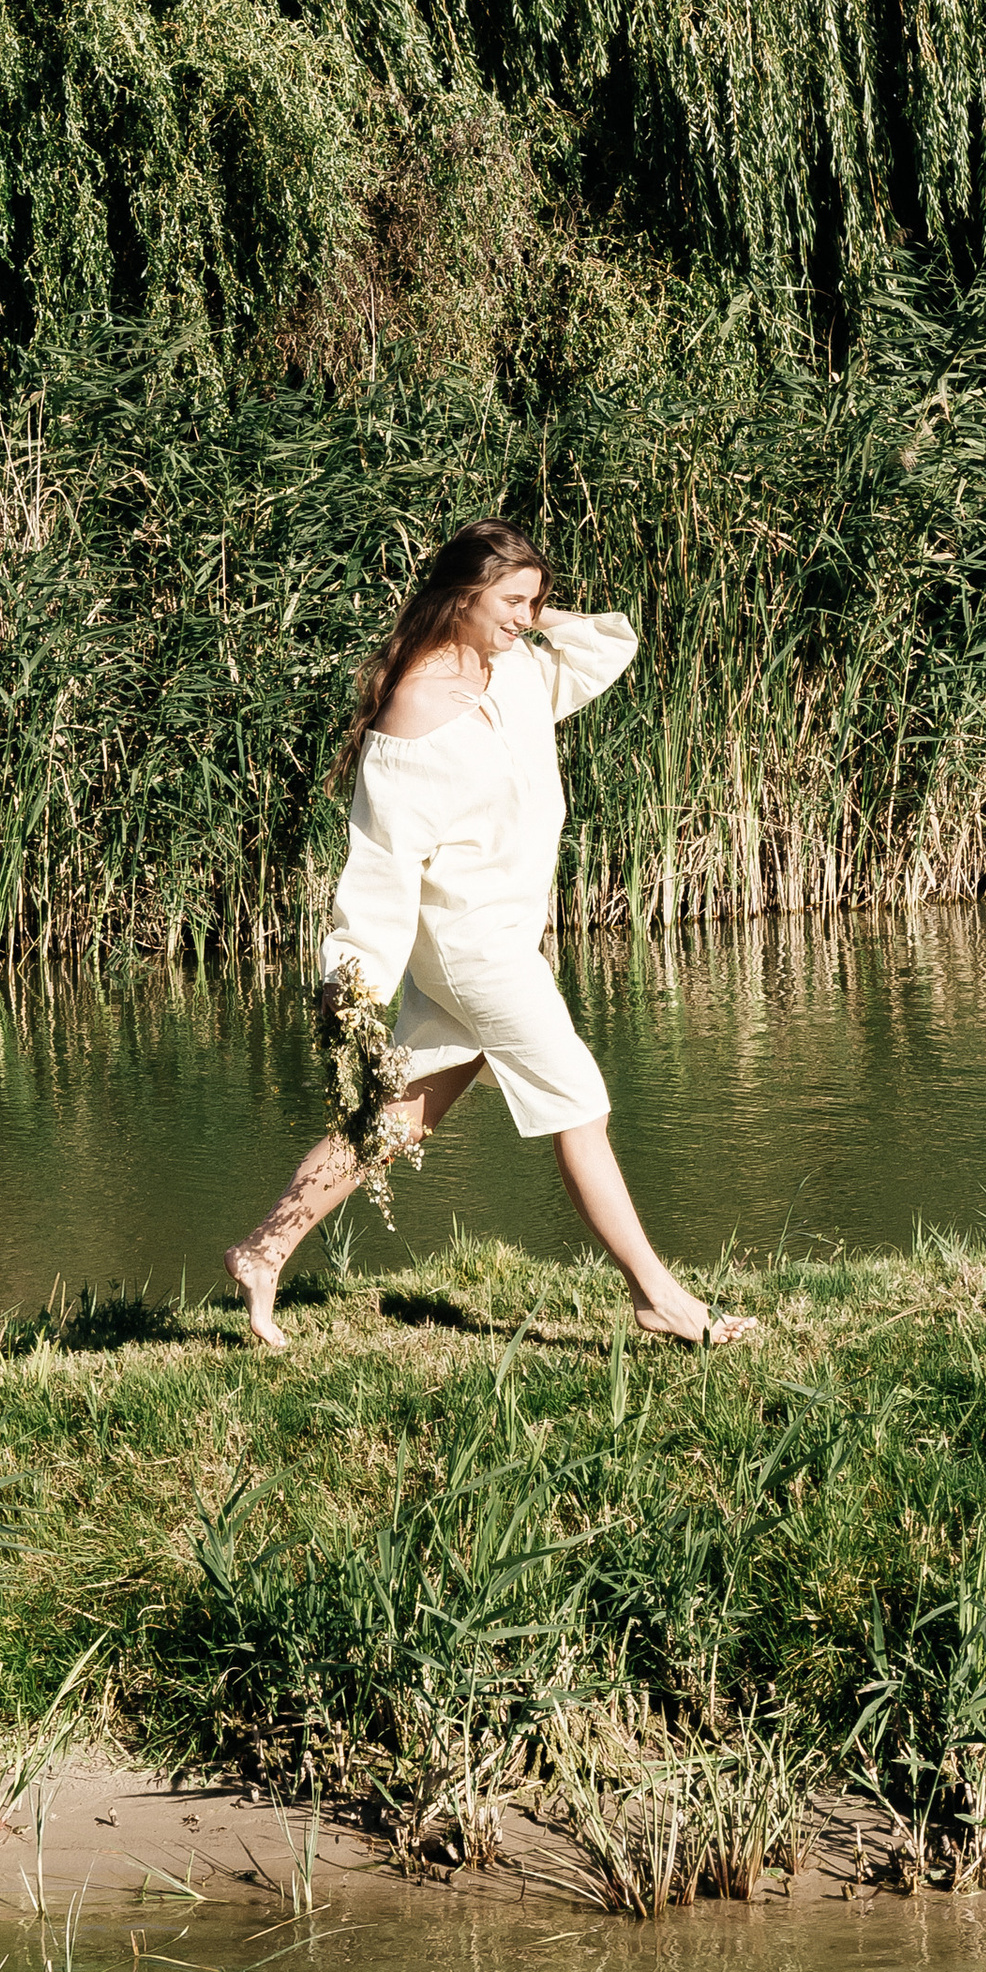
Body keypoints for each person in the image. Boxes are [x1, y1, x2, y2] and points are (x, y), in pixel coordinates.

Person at [223, 519, 758, 1354]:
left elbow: (607, 648)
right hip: (471, 948)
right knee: (579, 1102)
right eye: (511, 598)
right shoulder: (415, 706)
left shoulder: (514, 672)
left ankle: (265, 1251)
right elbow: (383, 861)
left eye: (535, 600)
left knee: (401, 1115)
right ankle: (658, 1296)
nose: (525, 614)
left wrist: (532, 618)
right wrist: (350, 977)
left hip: (506, 935)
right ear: (460, 594)